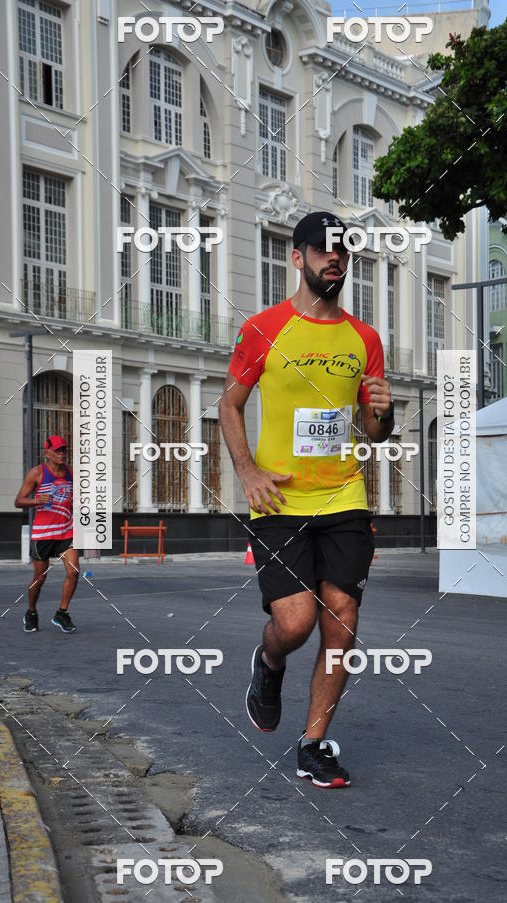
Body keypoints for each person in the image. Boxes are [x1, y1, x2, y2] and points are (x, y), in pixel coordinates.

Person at [219, 211, 394, 788]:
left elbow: (375, 432)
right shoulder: (264, 328)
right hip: (279, 502)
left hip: (344, 497)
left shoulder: (365, 339)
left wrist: (384, 413)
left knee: (342, 619)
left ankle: (313, 743)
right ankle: (269, 662)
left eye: (342, 250)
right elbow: (229, 404)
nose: (334, 257)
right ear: (298, 258)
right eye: (322, 249)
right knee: (294, 624)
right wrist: (247, 471)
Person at [14, 435, 78, 633]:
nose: (61, 454)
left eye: (64, 450)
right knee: (40, 578)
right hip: (43, 533)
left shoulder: (70, 472)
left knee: (74, 572)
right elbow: (18, 501)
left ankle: (62, 613)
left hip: (66, 530)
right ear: (47, 453)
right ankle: (31, 612)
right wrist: (35, 501)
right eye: (57, 450)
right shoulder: (37, 473)